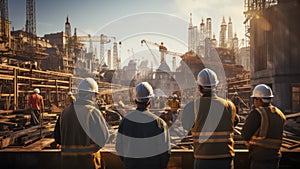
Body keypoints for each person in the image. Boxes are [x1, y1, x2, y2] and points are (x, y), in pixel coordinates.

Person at [181, 68, 239, 169]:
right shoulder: (229, 105)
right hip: (225, 160)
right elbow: (235, 121)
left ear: (199, 87)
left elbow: (186, 126)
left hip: (203, 159)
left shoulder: (192, 106)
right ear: (216, 86)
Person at [54, 77, 109, 169]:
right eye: (95, 95)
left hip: (67, 163)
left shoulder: (64, 112)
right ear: (91, 95)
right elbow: (103, 138)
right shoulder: (92, 111)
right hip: (87, 162)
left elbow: (58, 138)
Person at [116, 82, 170, 169]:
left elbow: (119, 147)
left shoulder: (125, 121)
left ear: (135, 100)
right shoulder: (159, 123)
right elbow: (165, 152)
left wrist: (128, 162)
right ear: (150, 100)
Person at [241, 84, 286, 169]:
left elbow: (245, 134)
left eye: (254, 99)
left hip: (260, 157)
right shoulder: (280, 114)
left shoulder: (257, 113)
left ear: (258, 99)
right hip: (275, 157)